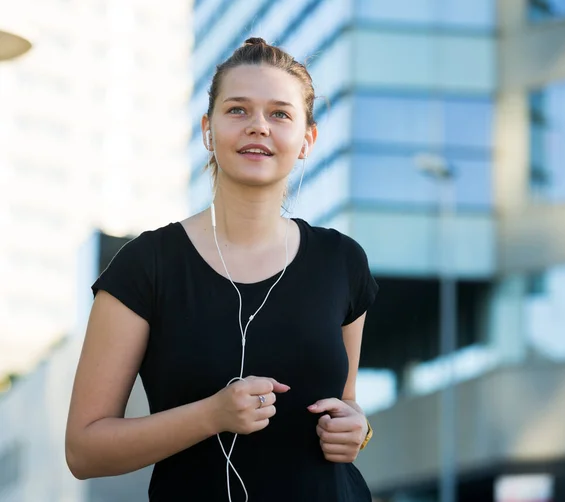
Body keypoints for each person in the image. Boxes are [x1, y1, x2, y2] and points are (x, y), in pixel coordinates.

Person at [66, 37, 378, 501]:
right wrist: (212, 415)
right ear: (208, 130)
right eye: (237, 110)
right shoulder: (146, 265)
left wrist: (358, 427)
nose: (258, 127)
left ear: (307, 139)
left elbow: (345, 398)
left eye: (280, 114)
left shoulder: (342, 261)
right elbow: (84, 450)